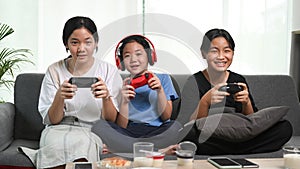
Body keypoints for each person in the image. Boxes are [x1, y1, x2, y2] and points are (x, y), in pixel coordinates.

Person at [19, 16, 122, 169]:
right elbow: (53, 120)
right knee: (55, 151)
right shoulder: (54, 70)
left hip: (91, 130)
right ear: (66, 44)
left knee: (83, 151)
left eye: (88, 42)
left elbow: (112, 119)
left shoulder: (108, 71)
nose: (81, 48)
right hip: (57, 129)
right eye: (75, 42)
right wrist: (59, 97)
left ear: (96, 43)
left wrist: (106, 97)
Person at [180, 28, 293, 155]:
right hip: (211, 136)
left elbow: (252, 123)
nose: (221, 57)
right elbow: (188, 124)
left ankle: (231, 150)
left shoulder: (238, 80)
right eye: (214, 51)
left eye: (227, 51)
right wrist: (205, 101)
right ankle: (243, 149)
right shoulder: (193, 82)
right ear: (203, 53)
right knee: (189, 135)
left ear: (232, 54)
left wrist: (246, 103)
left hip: (238, 135)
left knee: (285, 128)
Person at [92, 34, 181, 152]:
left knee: (175, 127)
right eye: (127, 56)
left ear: (150, 56)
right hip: (129, 132)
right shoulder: (121, 84)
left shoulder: (163, 78)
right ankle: (156, 151)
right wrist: (124, 101)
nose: (133, 60)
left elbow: (166, 117)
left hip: (156, 130)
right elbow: (121, 126)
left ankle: (125, 149)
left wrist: (160, 91)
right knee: (99, 127)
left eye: (139, 54)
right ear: (121, 62)